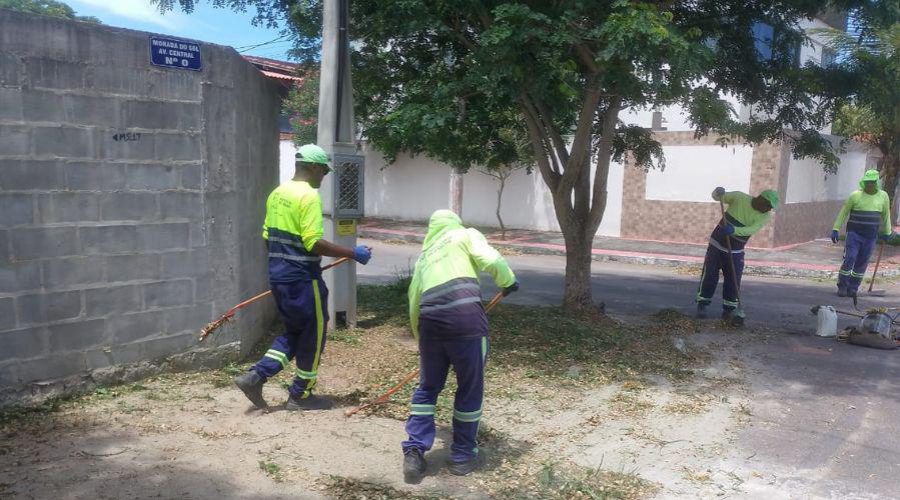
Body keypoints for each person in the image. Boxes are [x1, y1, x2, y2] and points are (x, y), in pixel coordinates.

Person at [234, 144, 372, 411]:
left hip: (279, 278)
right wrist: (352, 253)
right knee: (314, 335)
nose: (325, 176)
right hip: (302, 280)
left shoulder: (277, 193)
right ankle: (301, 395)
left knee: (295, 331)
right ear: (314, 167)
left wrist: (286, 263)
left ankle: (256, 376)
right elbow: (313, 243)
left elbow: (267, 237)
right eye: (324, 171)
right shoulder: (308, 196)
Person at [401, 210, 518, 483]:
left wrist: (422, 338)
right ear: (454, 222)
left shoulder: (425, 256)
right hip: (467, 323)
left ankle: (414, 451)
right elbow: (491, 259)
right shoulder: (465, 234)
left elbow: (413, 300)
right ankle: (463, 455)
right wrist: (508, 281)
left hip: (430, 325)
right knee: (469, 387)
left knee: (427, 388)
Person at [696, 187, 779, 320]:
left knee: (733, 279)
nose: (769, 209)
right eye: (768, 205)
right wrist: (717, 192)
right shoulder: (739, 198)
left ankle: (729, 309)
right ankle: (702, 304)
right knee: (710, 274)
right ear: (761, 199)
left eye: (771, 207)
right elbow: (718, 197)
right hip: (716, 244)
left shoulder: (765, 216)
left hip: (736, 250)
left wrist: (734, 230)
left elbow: (751, 229)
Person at [831, 169, 892, 298]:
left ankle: (853, 288)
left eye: (872, 182)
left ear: (876, 183)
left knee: (862, 262)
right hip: (854, 234)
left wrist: (887, 232)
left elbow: (886, 215)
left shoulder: (883, 196)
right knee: (850, 258)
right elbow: (843, 212)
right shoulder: (855, 196)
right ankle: (842, 285)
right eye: (867, 182)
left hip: (870, 236)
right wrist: (836, 229)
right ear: (864, 182)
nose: (869, 184)